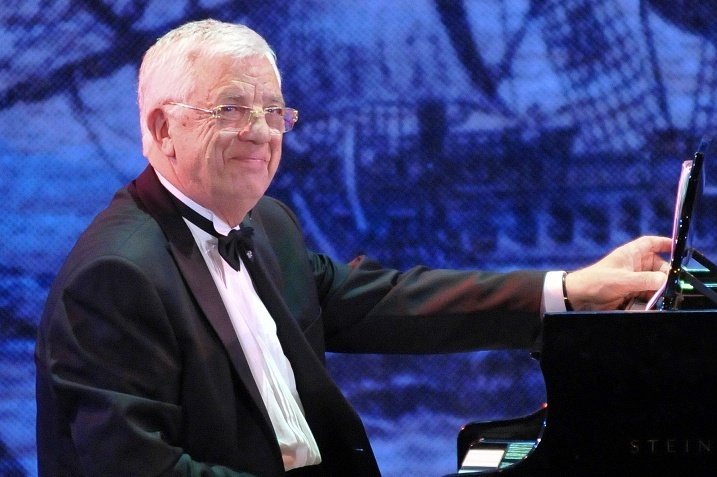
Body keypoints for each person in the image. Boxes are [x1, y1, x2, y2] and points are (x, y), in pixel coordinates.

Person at [35, 19, 671, 477]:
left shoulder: (268, 223)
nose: (261, 132)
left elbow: (380, 302)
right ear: (162, 128)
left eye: (273, 111)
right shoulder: (116, 276)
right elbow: (138, 469)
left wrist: (569, 290)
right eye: (230, 110)